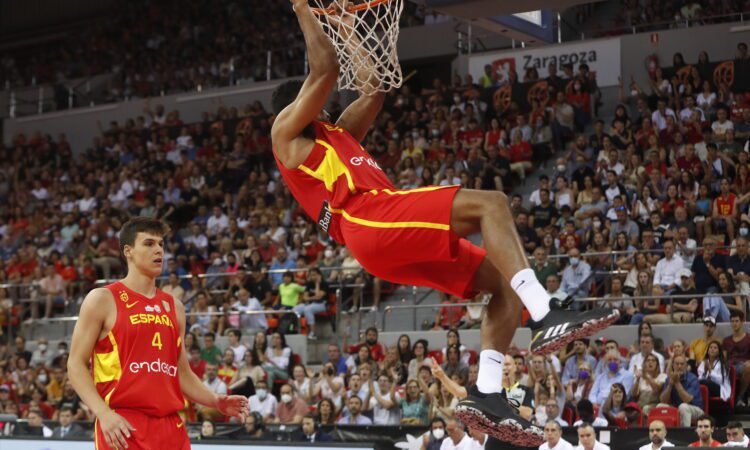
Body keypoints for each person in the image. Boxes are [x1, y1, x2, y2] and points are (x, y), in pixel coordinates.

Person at [270, 1, 618, 444]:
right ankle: (546, 312)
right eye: (312, 101)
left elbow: (374, 88)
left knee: (503, 288)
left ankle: (488, 392)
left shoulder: (335, 134)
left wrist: (346, 27)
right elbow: (324, 71)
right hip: (367, 218)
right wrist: (304, 9)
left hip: (380, 239)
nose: (323, 102)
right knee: (491, 203)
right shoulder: (285, 136)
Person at [67, 217, 248, 450]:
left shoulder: (175, 307)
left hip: (171, 426)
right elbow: (75, 364)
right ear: (128, 251)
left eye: (161, 245)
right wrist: (103, 413)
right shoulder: (102, 299)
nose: (159, 250)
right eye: (149, 244)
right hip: (123, 425)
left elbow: (181, 372)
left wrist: (216, 400)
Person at [658, 355, 703, 427]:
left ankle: (684, 435)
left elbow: (687, 400)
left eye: (682, 364)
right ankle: (664, 434)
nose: (679, 366)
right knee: (660, 406)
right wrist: (670, 385)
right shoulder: (669, 378)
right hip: (676, 408)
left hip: (695, 409)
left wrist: (676, 383)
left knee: (683, 407)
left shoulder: (693, 378)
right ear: (673, 365)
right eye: (677, 364)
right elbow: (663, 400)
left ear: (686, 366)